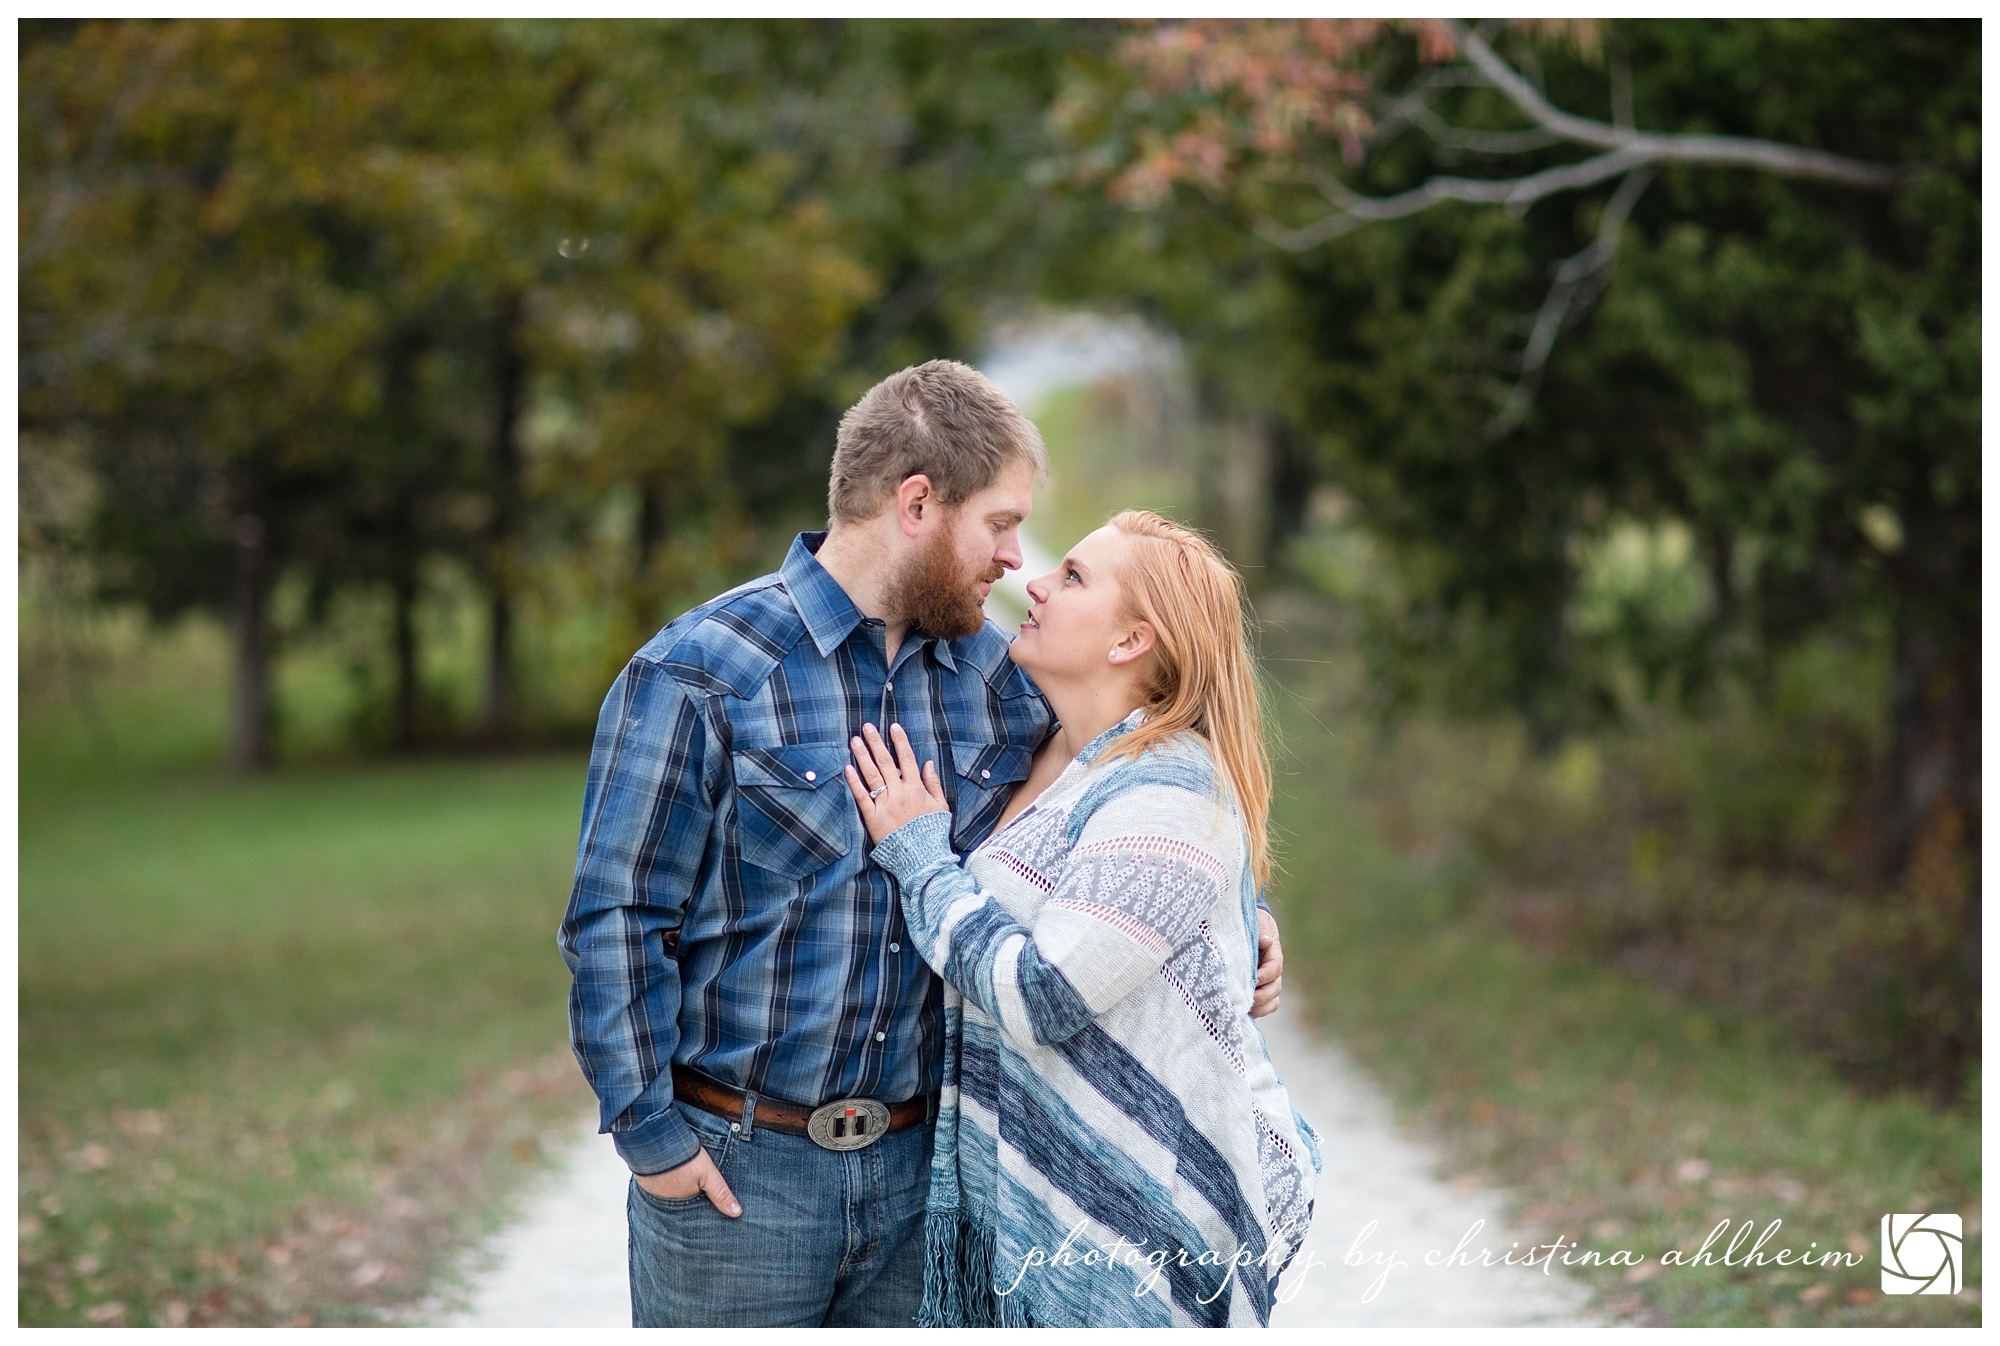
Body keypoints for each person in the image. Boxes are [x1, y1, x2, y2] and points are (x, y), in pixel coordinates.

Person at [558, 362, 1289, 1328]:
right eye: (999, 525)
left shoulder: (1001, 681)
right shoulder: (703, 671)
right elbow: (617, 916)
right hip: (740, 1175)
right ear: (916, 504)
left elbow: (1124, 793)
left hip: (926, 1184)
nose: (1014, 560)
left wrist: (1241, 914)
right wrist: (651, 1136)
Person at [846, 509, 1320, 1328]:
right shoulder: (1051, 747)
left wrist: (921, 857)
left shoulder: (1170, 786)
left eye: (1072, 577)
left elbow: (1045, 993)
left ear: (1132, 641)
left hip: (1140, 1213)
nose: (1032, 581)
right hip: (1020, 1183)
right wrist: (1247, 914)